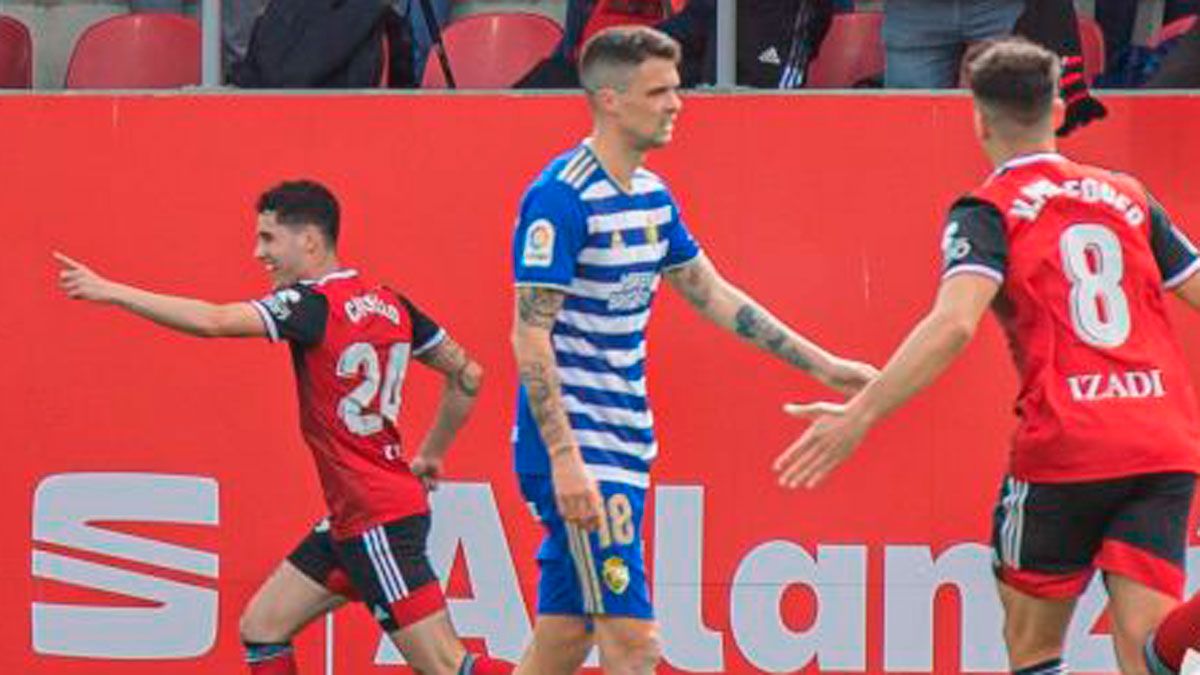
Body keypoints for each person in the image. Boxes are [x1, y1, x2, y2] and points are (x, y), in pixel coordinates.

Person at [775, 37, 1200, 675]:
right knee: (1146, 648)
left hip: (1068, 443)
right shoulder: (1128, 195)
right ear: (1058, 109)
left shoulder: (987, 211)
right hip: (1160, 439)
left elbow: (952, 324)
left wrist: (860, 414)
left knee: (1032, 648)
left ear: (977, 118)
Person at [509, 26, 878, 674]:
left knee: (564, 635)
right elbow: (529, 332)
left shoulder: (651, 195)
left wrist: (824, 364)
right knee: (634, 644)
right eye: (660, 92)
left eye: (676, 89)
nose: (678, 103)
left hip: (623, 442)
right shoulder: (560, 198)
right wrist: (566, 459)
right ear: (610, 100)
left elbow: (711, 293)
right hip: (580, 451)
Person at [55, 180, 512, 675]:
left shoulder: (311, 305)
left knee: (448, 667)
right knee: (263, 627)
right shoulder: (393, 304)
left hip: (374, 519)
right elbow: (468, 375)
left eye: (269, 239)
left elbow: (214, 321)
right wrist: (432, 453)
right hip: (357, 518)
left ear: (309, 241)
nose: (258, 253)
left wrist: (113, 292)